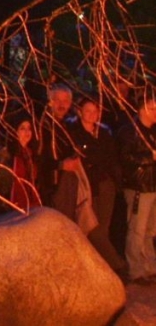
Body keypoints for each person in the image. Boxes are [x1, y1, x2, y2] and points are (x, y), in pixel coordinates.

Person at [69, 99, 126, 274]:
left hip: (106, 184)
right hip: (88, 186)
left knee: (103, 228)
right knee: (93, 229)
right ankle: (117, 265)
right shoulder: (74, 133)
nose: (92, 114)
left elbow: (111, 159)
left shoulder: (104, 133)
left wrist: (116, 181)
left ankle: (104, 268)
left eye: (95, 111)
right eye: (88, 111)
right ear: (80, 112)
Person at [117, 95, 156, 282]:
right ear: (141, 109)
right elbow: (124, 158)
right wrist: (150, 157)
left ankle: (150, 267)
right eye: (152, 108)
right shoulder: (129, 131)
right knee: (137, 230)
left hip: (153, 185)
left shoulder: (153, 131)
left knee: (150, 230)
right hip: (139, 186)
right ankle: (136, 270)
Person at [37, 83, 82, 221]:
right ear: (50, 102)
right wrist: (60, 165)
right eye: (57, 100)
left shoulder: (69, 126)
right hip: (49, 188)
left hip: (66, 185)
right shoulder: (42, 125)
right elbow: (38, 158)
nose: (62, 105)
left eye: (66, 101)